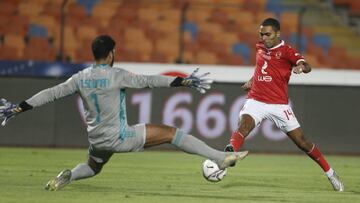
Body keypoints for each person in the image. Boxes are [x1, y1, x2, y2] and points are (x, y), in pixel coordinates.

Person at [0, 35, 248, 191]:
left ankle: (68, 176)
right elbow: (150, 80)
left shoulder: (79, 78)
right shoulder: (117, 75)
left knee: (93, 167)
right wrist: (182, 81)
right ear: (110, 54)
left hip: (97, 139)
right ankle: (219, 157)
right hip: (119, 137)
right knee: (172, 133)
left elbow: (49, 94)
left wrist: (18, 107)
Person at [224, 18, 344, 192]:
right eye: (261, 34)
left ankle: (330, 172)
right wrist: (252, 80)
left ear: (278, 34)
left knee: (302, 143)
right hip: (256, 99)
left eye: (268, 34)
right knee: (244, 125)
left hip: (279, 105)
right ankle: (228, 155)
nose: (264, 38)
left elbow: (307, 65)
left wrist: (300, 67)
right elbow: (262, 68)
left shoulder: (287, 51)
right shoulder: (260, 47)